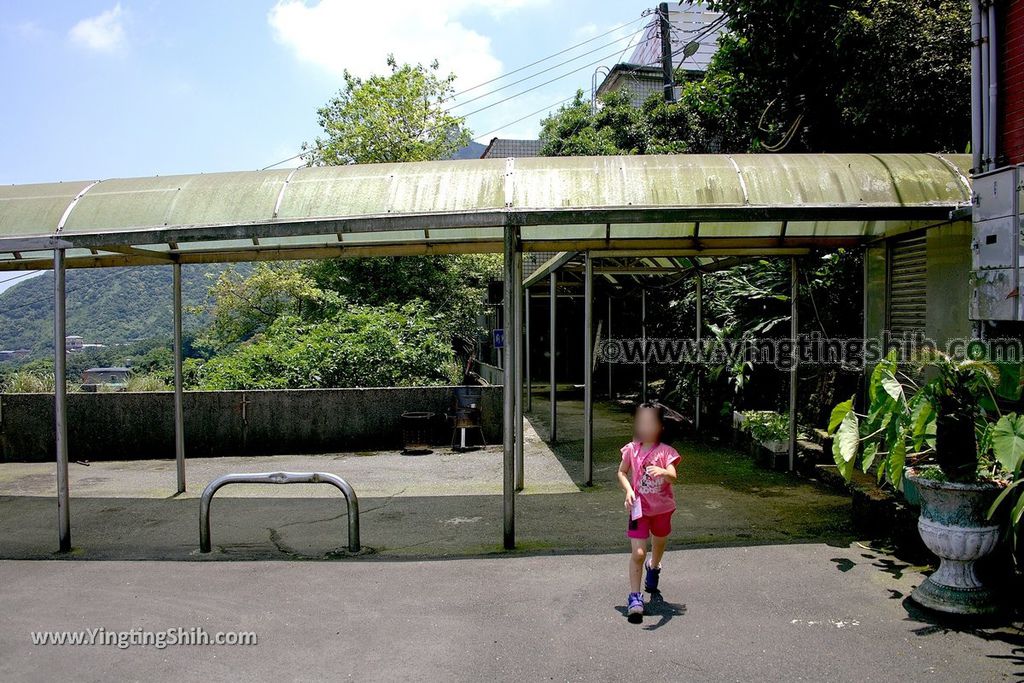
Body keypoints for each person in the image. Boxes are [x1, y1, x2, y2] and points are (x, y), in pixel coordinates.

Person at [617, 401, 681, 622]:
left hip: (663, 509)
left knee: (659, 542)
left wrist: (662, 471)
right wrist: (627, 491)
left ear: (660, 426)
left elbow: (673, 476)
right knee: (638, 553)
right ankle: (635, 597)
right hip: (639, 510)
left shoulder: (666, 452)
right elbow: (622, 472)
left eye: (649, 422)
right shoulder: (631, 449)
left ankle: (654, 566)